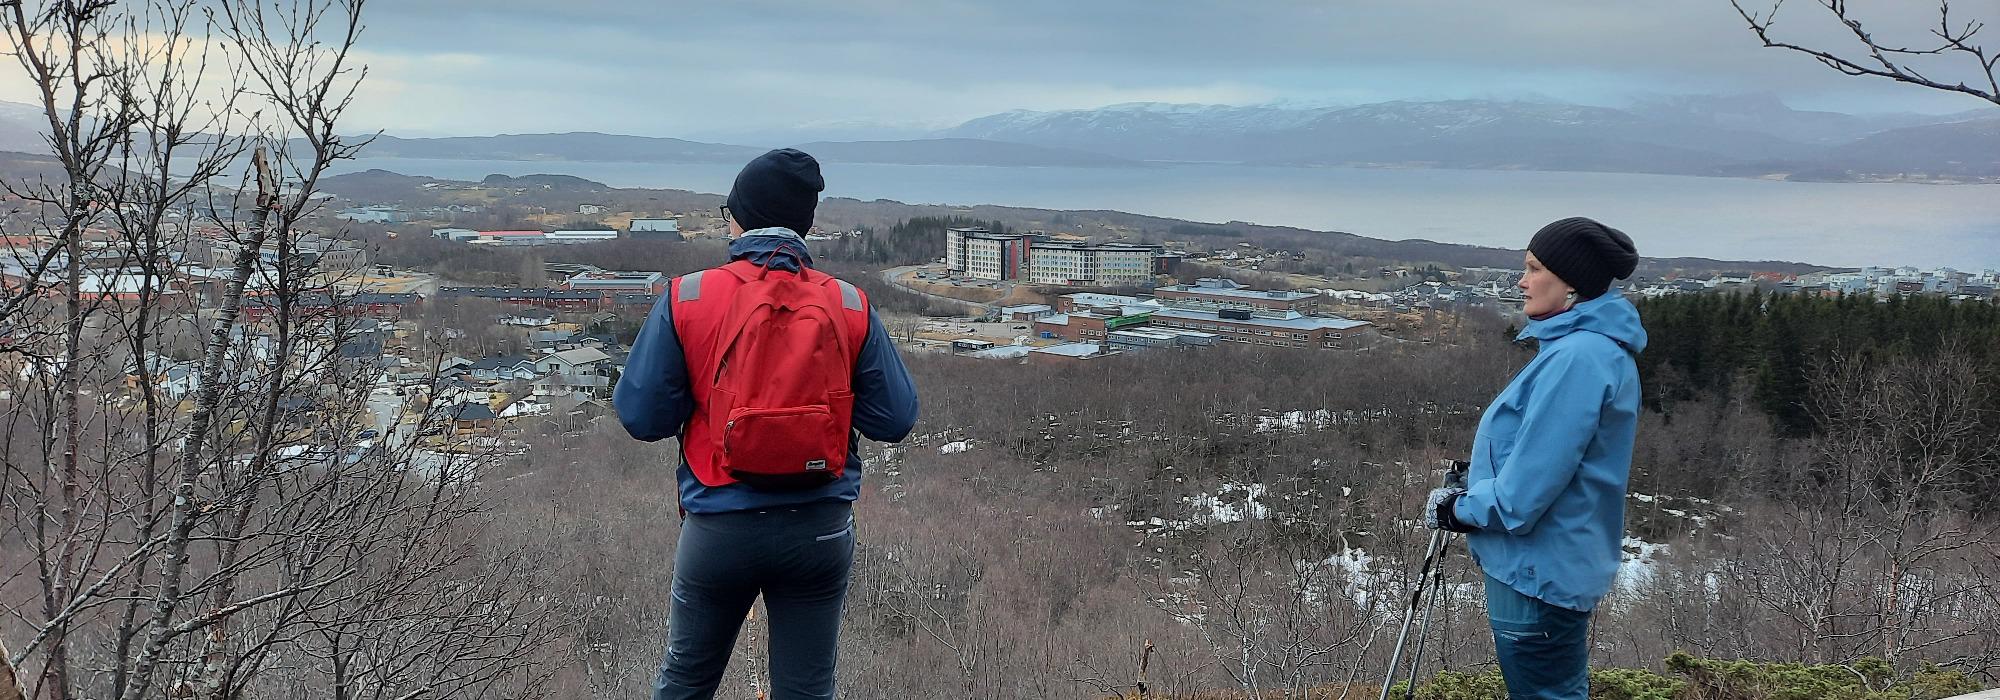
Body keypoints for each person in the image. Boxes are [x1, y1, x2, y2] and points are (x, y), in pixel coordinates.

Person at [614, 148, 920, 700]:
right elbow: (895, 419)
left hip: (719, 524)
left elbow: (641, 416)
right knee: (807, 689)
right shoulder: (849, 303)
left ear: (738, 218)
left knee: (686, 683)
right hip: (819, 527)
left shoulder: (688, 296)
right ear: (806, 224)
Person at [1424, 216, 1645, 700]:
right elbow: (1548, 456)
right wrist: (1479, 477)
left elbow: (1523, 496)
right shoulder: (1581, 351)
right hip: (1546, 565)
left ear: (1571, 284)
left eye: (1534, 268)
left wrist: (1456, 509)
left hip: (1537, 573)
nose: (1522, 282)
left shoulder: (1578, 359)